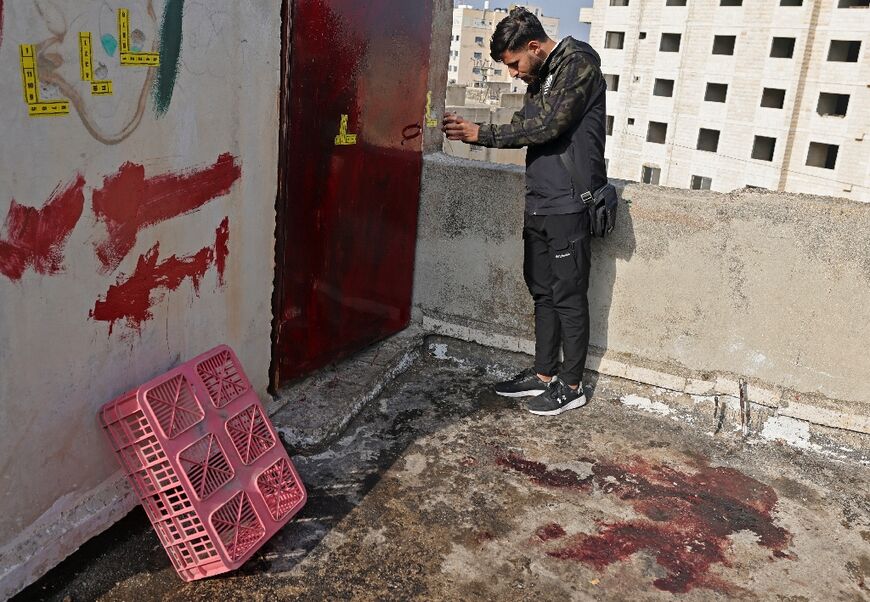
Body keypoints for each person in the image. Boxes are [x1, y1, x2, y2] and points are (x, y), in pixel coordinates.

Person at [442, 7, 607, 417]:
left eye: (515, 64)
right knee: (542, 291)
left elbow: (549, 126)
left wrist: (484, 134)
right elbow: (527, 122)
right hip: (539, 200)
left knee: (568, 295)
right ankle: (544, 374)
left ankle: (572, 386)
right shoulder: (542, 76)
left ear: (535, 46)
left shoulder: (578, 65)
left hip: (569, 202)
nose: (513, 74)